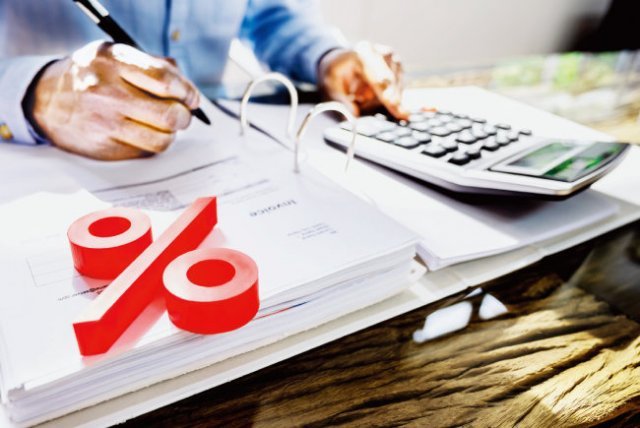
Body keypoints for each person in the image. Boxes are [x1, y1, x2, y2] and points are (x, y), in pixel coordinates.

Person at [0, 0, 405, 160]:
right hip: (41, 160)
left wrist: (324, 55)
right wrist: (36, 92)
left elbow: (269, 13)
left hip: (213, 148)